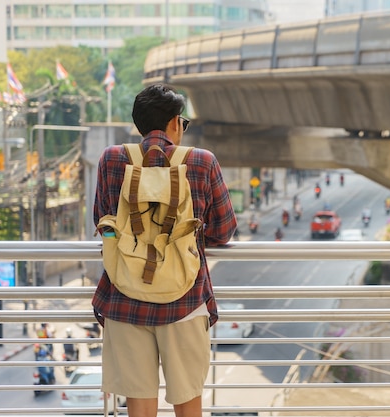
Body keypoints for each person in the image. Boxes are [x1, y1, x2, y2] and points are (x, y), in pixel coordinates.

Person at [92, 84, 237, 417]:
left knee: (140, 407)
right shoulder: (201, 161)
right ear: (174, 122)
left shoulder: (112, 159)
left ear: (140, 123)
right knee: (188, 403)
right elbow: (224, 231)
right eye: (182, 123)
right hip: (184, 301)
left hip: (124, 298)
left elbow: (103, 221)